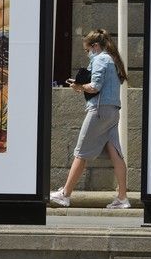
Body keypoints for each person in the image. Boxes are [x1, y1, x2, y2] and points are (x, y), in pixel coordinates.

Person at [50, 29, 131, 209]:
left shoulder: (101, 59)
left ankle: (65, 194)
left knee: (81, 152)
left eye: (87, 50)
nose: (88, 54)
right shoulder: (113, 59)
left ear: (95, 46)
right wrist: (81, 86)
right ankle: (122, 197)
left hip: (99, 111)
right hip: (112, 111)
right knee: (116, 154)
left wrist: (79, 86)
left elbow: (95, 87)